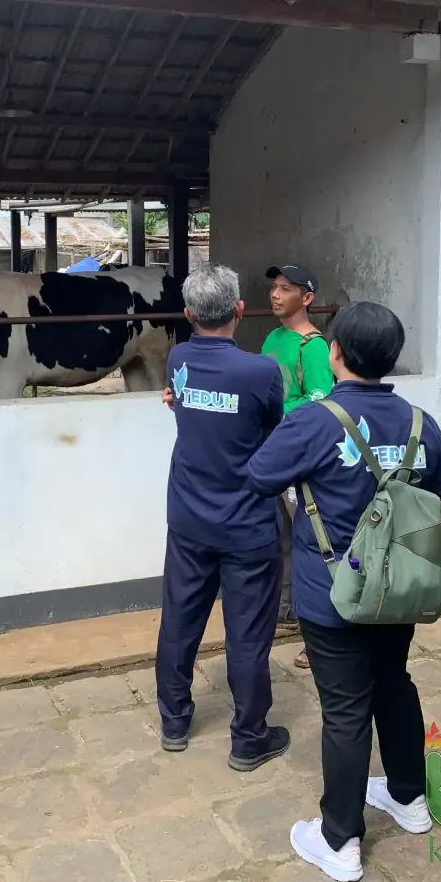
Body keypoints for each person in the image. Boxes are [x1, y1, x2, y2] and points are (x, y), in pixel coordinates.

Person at [248, 302, 441, 882]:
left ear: (334, 353)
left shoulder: (314, 421)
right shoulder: (422, 424)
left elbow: (261, 476)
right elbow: (429, 492)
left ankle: (340, 839)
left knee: (345, 710)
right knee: (394, 683)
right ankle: (409, 798)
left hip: (332, 592)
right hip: (400, 588)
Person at [156, 263, 290, 771]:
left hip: (189, 517)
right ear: (239, 310)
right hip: (247, 523)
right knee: (247, 635)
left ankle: (174, 721)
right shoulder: (261, 372)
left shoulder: (178, 357)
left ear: (188, 314)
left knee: (179, 621)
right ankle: (248, 737)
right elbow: (274, 427)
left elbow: (189, 410)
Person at [262, 265, 334, 669]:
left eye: (286, 289)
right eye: (274, 287)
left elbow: (320, 399)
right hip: (274, 451)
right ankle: (287, 608)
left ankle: (316, 636)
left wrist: (273, 408)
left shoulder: (314, 347)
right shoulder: (273, 338)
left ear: (306, 298)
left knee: (310, 543)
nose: (275, 294)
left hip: (300, 457)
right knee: (282, 538)